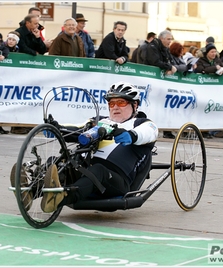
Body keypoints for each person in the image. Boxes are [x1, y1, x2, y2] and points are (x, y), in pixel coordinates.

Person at [35, 82, 158, 213]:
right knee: (56, 162)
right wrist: (56, 129)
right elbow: (77, 129)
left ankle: (61, 198)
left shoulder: (141, 123)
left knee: (99, 171)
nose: (115, 107)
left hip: (116, 181)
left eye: (121, 103)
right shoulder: (100, 121)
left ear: (135, 105)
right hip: (87, 171)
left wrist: (131, 135)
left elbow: (150, 132)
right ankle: (31, 191)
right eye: (111, 104)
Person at [144, 30, 177, 139]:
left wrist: (170, 67)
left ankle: (166, 129)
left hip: (162, 82)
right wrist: (168, 67)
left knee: (165, 105)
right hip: (151, 81)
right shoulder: (152, 46)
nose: (170, 41)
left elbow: (170, 61)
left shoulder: (165, 48)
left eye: (171, 39)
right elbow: (155, 62)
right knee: (152, 106)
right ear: (161, 38)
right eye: (168, 39)